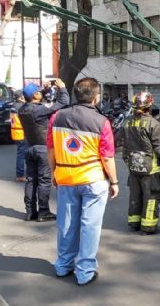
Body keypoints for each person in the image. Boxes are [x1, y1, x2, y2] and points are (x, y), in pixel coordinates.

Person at [47, 77, 119, 286]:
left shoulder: (57, 117)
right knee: (90, 225)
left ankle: (63, 265)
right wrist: (114, 182)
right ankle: (85, 271)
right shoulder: (101, 122)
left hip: (66, 177)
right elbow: (107, 157)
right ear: (96, 98)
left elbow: (51, 150)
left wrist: (54, 172)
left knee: (67, 223)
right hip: (93, 178)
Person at [118, 91, 160, 235]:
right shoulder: (153, 124)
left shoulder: (128, 122)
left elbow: (122, 143)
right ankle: (148, 226)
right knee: (151, 197)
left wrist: (129, 162)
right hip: (151, 170)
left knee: (135, 196)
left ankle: (134, 222)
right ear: (150, 105)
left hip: (134, 167)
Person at [18, 80, 69, 222]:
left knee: (31, 180)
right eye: (39, 92)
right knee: (44, 180)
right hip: (42, 149)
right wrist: (62, 88)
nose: (41, 93)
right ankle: (44, 212)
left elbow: (36, 100)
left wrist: (45, 91)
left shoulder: (22, 109)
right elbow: (64, 102)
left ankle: (30, 211)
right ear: (35, 95)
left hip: (29, 148)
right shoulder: (39, 110)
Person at [10, 91, 27, 183]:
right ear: (20, 97)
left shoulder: (14, 106)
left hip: (16, 132)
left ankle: (21, 173)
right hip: (21, 133)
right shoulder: (21, 107)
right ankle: (20, 175)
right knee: (22, 155)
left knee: (21, 153)